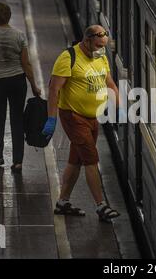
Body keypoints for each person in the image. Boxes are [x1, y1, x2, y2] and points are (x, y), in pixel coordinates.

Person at [43, 25, 122, 222]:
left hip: (92, 117)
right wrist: (51, 119)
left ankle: (63, 202)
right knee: (91, 159)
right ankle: (100, 206)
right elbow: (54, 90)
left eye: (103, 47)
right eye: (97, 46)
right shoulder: (68, 58)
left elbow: (110, 83)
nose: (100, 50)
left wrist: (119, 107)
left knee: (75, 160)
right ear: (86, 41)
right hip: (73, 116)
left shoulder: (101, 57)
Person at [0, 2, 41, 173]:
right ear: (9, 16)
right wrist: (34, 86)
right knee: (17, 120)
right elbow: (26, 64)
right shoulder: (19, 35)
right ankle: (18, 161)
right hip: (17, 81)